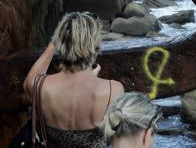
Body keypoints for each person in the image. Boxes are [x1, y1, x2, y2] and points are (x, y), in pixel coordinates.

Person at [23, 11, 124, 148]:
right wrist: (90, 78)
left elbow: (30, 79)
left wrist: (53, 45)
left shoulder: (39, 87)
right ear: (95, 46)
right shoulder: (114, 90)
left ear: (61, 43)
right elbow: (118, 139)